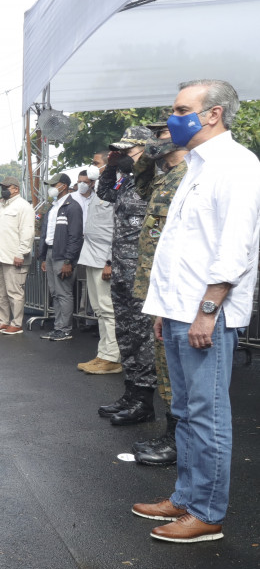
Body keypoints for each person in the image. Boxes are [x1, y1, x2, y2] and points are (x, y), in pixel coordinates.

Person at [135, 78, 260, 543]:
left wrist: (208, 310)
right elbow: (179, 246)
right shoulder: (196, 166)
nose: (173, 118)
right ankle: (186, 497)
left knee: (208, 414)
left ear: (213, 114)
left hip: (207, 311)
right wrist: (162, 307)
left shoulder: (238, 164)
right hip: (178, 307)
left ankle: (206, 513)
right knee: (185, 410)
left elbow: (235, 246)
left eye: (181, 110)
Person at [131, 124, 189, 465]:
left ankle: (179, 441)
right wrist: (147, 156)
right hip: (158, 285)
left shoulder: (190, 176)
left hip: (179, 288)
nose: (155, 139)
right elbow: (140, 186)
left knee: (176, 370)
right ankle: (173, 435)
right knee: (164, 364)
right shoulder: (164, 177)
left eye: (162, 133)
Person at [96, 126, 157, 426]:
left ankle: (144, 401)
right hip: (121, 268)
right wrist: (111, 165)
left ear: (146, 150)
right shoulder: (128, 181)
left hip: (142, 273)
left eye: (127, 151)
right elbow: (104, 192)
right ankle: (130, 393)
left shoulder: (155, 181)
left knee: (143, 338)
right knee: (126, 334)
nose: (122, 156)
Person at [73, 167, 120, 373]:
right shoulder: (96, 193)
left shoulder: (116, 190)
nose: (92, 167)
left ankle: (113, 357)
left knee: (107, 309)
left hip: (104, 259)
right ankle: (103, 354)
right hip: (92, 257)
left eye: (96, 162)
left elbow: (117, 229)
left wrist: (110, 261)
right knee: (99, 310)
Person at [39, 173, 85, 341]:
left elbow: (75, 237)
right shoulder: (53, 207)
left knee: (64, 293)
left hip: (63, 255)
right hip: (51, 253)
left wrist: (68, 261)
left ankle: (64, 329)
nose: (51, 188)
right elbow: (46, 233)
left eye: (54, 184)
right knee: (55, 293)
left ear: (64, 186)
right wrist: (43, 257)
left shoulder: (72, 207)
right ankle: (58, 327)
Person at [0, 176, 33, 335]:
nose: (3, 190)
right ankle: (3, 321)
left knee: (14, 293)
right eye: (2, 187)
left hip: (14, 257)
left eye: (6, 187)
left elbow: (27, 232)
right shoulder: (0, 207)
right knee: (0, 292)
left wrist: (21, 253)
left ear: (16, 189)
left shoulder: (23, 206)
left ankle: (16, 324)